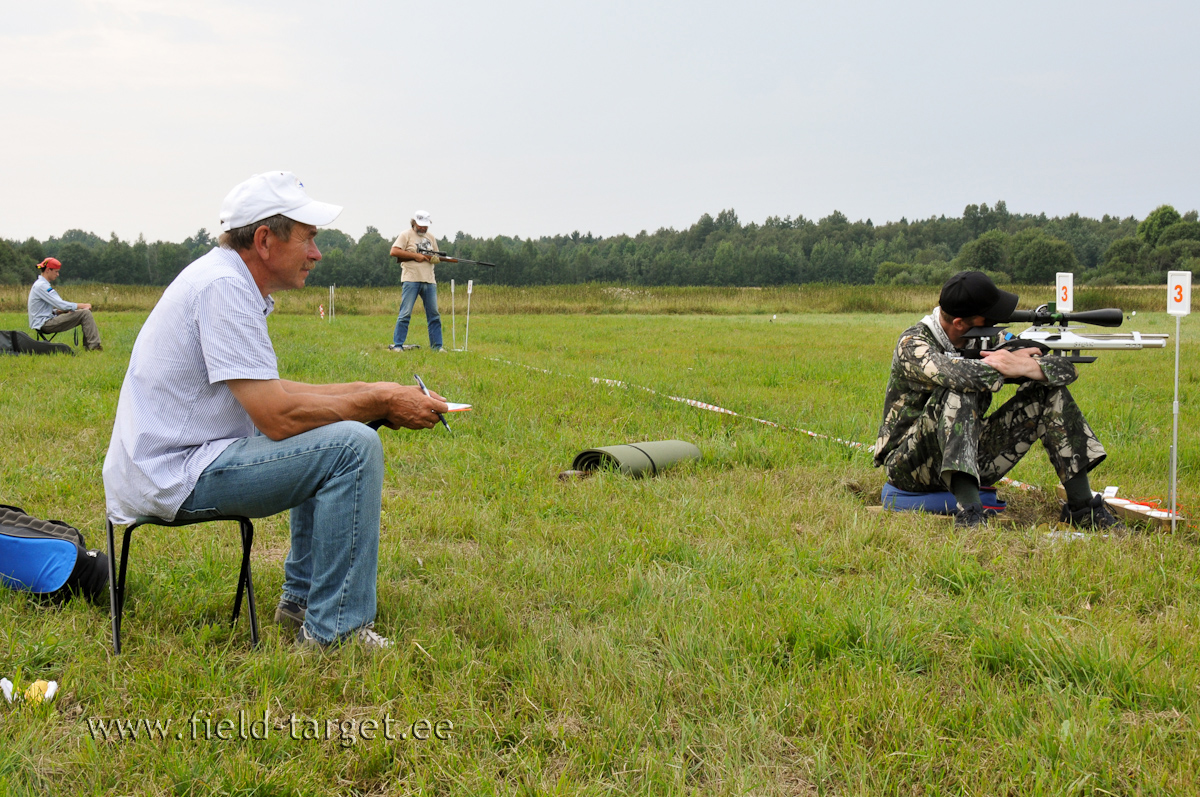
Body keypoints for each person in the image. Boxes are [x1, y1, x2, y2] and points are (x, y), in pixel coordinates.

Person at [102, 171, 449, 651]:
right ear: (264, 240)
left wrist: (374, 391)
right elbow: (278, 417)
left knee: (339, 429)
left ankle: (304, 602)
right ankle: (335, 633)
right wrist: (378, 402)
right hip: (172, 475)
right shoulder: (222, 287)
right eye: (308, 238)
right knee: (353, 446)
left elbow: (276, 392)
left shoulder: (226, 279)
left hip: (179, 462)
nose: (316, 253)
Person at [873, 270, 1120, 528]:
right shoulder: (913, 344)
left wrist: (1028, 367)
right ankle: (970, 511)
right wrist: (1008, 366)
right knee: (960, 390)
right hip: (909, 467)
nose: (996, 325)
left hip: (970, 457)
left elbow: (1065, 370)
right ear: (959, 323)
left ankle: (1081, 507)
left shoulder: (985, 339)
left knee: (1048, 391)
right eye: (989, 318)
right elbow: (958, 374)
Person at [388, 210, 444, 352]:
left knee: (434, 315)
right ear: (414, 223)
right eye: (421, 225)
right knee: (405, 314)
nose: (423, 228)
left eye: (426, 226)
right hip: (411, 279)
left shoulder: (430, 237)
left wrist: (435, 259)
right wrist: (415, 256)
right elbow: (394, 251)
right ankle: (398, 345)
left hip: (429, 280)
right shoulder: (405, 235)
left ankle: (437, 347)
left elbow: (436, 255)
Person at [27, 257, 103, 351]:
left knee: (82, 313)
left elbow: (42, 310)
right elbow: (61, 304)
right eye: (56, 271)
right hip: (45, 324)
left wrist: (59, 312)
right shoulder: (42, 286)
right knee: (85, 313)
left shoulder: (39, 285)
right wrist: (83, 305)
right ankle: (94, 347)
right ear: (48, 270)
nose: (58, 274)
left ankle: (90, 346)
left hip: (42, 322)